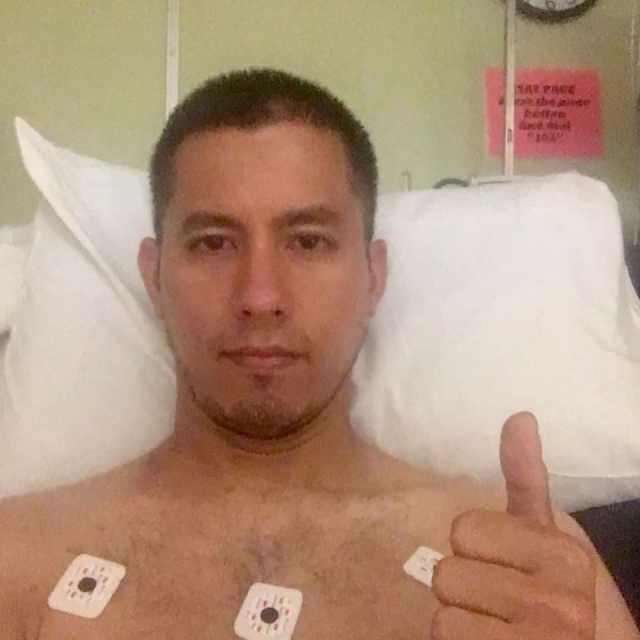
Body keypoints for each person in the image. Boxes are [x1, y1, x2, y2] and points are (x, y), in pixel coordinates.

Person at [0, 68, 637, 640]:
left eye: (307, 242)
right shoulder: (20, 560)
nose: (260, 297)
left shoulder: (526, 565)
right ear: (154, 277)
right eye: (214, 243)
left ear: (374, 277)